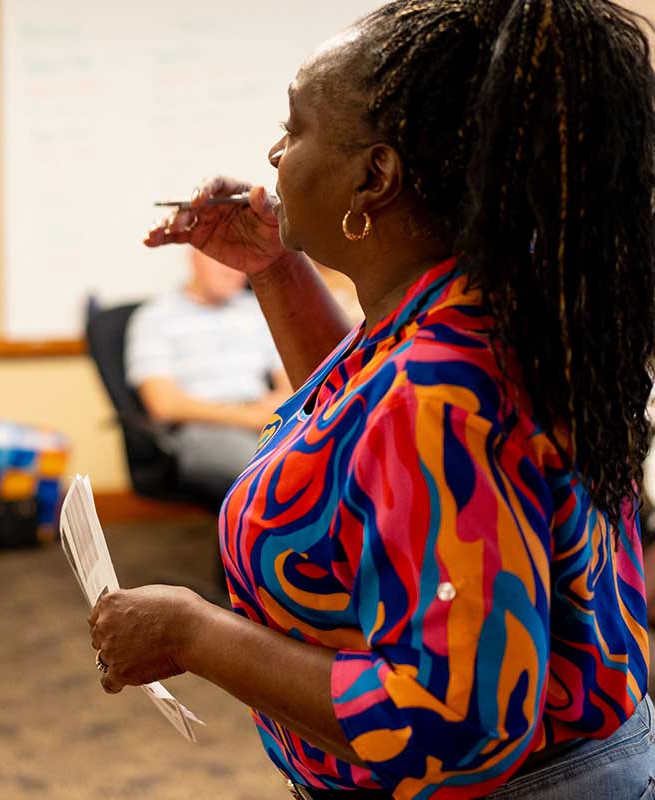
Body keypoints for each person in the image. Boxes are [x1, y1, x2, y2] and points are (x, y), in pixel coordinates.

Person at [88, 2, 655, 798]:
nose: (275, 153)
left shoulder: (444, 388)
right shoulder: (451, 310)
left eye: (295, 127)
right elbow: (365, 442)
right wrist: (277, 269)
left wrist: (194, 632)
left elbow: (454, 723)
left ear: (374, 177)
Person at [126, 248, 291, 503]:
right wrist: (249, 417)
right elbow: (164, 405)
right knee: (272, 474)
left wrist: (278, 408)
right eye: (220, 260)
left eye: (237, 262)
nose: (230, 271)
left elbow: (291, 380)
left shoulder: (257, 310)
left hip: (266, 419)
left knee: (330, 459)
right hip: (202, 428)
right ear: (194, 258)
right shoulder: (155, 317)